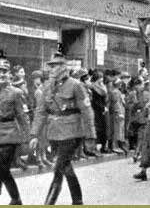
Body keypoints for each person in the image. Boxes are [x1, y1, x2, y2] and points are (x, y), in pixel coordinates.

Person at [29, 51, 96, 205]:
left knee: (59, 168)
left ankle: (49, 202)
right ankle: (78, 201)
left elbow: (87, 111)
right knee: (65, 167)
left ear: (64, 67)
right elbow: (40, 112)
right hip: (54, 133)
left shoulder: (76, 85)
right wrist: (33, 134)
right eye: (50, 66)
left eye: (56, 65)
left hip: (72, 132)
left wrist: (91, 136)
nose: (52, 69)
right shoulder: (47, 87)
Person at [0, 57, 30, 205]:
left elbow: (22, 116)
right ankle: (16, 199)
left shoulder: (16, 93)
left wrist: (28, 137)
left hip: (9, 135)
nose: (1, 74)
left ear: (9, 73)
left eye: (4, 71)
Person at [90, 70, 110, 153]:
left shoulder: (103, 87)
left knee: (104, 129)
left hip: (103, 110)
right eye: (100, 78)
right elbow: (94, 101)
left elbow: (105, 98)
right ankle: (94, 147)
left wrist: (105, 107)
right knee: (97, 129)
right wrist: (102, 108)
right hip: (96, 111)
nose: (101, 80)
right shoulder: (93, 88)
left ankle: (103, 146)